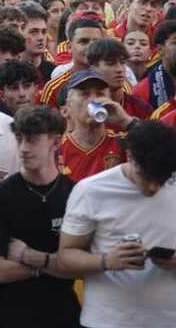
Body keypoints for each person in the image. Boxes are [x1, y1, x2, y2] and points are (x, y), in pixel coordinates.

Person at [58, 122, 176, 328]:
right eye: (146, 177)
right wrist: (106, 261)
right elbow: (65, 257)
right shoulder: (90, 190)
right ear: (129, 156)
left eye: (161, 179)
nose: (153, 187)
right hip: (108, 320)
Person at [0, 107, 81, 328]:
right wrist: (56, 264)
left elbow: (83, 267)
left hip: (65, 316)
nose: (23, 148)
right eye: (20, 139)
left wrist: (29, 256)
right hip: (13, 318)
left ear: (55, 142)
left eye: (32, 140)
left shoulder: (76, 194)